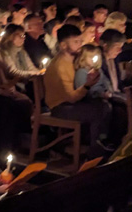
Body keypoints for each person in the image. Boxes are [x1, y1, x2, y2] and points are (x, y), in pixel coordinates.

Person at [43, 24, 111, 159]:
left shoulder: (75, 61)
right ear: (63, 45)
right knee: (99, 110)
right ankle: (94, 150)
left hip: (73, 104)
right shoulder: (60, 66)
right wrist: (87, 85)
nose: (80, 44)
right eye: (75, 42)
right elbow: (71, 97)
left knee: (106, 105)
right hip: (60, 107)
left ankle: (100, 145)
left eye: (80, 41)